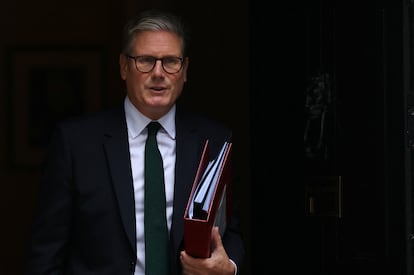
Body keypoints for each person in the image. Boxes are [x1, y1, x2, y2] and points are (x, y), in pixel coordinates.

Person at [24, 9, 245, 275]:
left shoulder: (214, 140)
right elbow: (46, 252)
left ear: (185, 70)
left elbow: (230, 230)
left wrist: (229, 267)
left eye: (171, 61)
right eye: (146, 60)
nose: (158, 72)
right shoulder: (76, 143)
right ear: (123, 66)